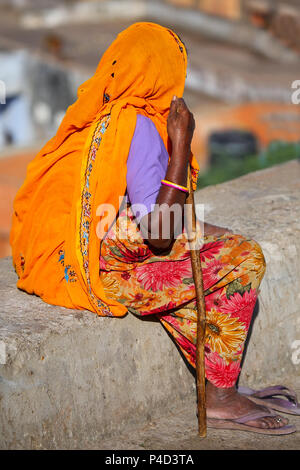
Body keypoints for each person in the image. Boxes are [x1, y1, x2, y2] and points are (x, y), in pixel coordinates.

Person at [10, 22, 298, 435]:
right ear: (161, 73)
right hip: (117, 273)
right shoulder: (140, 127)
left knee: (218, 242)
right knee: (246, 258)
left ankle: (220, 379)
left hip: (89, 256)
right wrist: (180, 147)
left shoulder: (99, 117)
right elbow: (161, 234)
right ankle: (219, 397)